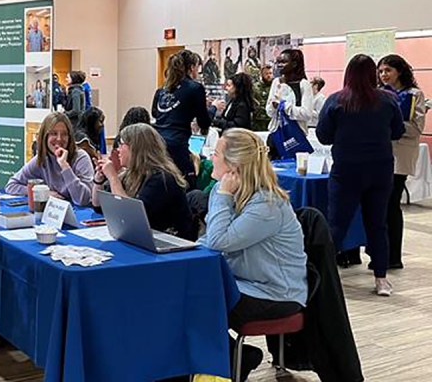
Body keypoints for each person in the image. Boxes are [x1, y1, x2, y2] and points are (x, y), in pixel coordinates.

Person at [201, 128, 308, 381]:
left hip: (276, 294)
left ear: (234, 166)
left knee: (199, 302)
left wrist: (223, 194)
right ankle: (224, 359)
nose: (210, 159)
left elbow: (217, 241)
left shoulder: (266, 204)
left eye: (215, 154)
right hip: (245, 283)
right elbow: (209, 239)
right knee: (190, 296)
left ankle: (227, 361)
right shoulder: (230, 192)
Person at [316, 54, 405, 296]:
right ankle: (381, 279)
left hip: (346, 170)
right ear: (372, 74)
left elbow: (324, 136)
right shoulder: (388, 100)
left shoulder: (336, 101)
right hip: (380, 170)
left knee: (337, 224)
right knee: (377, 224)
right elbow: (398, 131)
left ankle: (322, 277)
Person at [92, 123, 194, 240]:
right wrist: (99, 179)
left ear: (135, 148)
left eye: (121, 144)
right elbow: (98, 206)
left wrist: (113, 178)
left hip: (169, 241)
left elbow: (131, 217)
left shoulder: (162, 179)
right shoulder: (129, 174)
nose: (118, 149)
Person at [378, 54, 427, 269]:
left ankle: (394, 257)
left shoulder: (415, 95)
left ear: (399, 71)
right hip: (379, 153)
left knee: (391, 203)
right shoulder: (380, 94)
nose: (383, 75)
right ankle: (379, 252)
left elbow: (416, 128)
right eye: (380, 71)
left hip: (401, 155)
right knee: (379, 205)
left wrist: (393, 123)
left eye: (387, 70)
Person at [5, 112, 94, 206]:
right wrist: (43, 193)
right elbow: (11, 185)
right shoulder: (41, 159)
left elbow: (83, 199)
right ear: (45, 136)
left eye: (64, 134)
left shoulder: (81, 158)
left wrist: (65, 166)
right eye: (54, 133)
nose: (59, 139)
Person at [152, 49, 211, 190]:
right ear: (192, 67)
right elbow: (204, 121)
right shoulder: (195, 87)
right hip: (177, 142)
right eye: (197, 68)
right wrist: (212, 109)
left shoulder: (162, 90)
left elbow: (155, 113)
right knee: (188, 183)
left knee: (161, 181)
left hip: (156, 140)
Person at [266, 49, 314, 158]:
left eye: (284, 62)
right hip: (275, 135)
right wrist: (274, 107)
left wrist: (285, 106)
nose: (280, 65)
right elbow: (269, 112)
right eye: (278, 62)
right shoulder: (276, 82)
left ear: (294, 64)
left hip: (294, 137)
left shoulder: (303, 84)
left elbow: (307, 114)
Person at [252, 65, 274, 131]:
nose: (269, 76)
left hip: (272, 119)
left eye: (270, 73)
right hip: (260, 120)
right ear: (262, 74)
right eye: (266, 74)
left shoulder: (276, 86)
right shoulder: (255, 87)